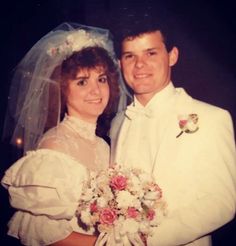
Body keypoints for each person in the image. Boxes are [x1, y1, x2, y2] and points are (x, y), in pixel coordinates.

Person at [110, 12, 236, 246]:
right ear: (120, 63)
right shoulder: (118, 123)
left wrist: (148, 240)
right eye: (130, 56)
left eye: (151, 53)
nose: (139, 65)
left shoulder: (213, 118)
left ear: (172, 56)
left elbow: (223, 202)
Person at [1, 22, 121, 246]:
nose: (96, 91)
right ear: (63, 90)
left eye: (101, 79)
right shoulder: (55, 145)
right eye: (82, 82)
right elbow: (43, 232)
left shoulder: (104, 146)